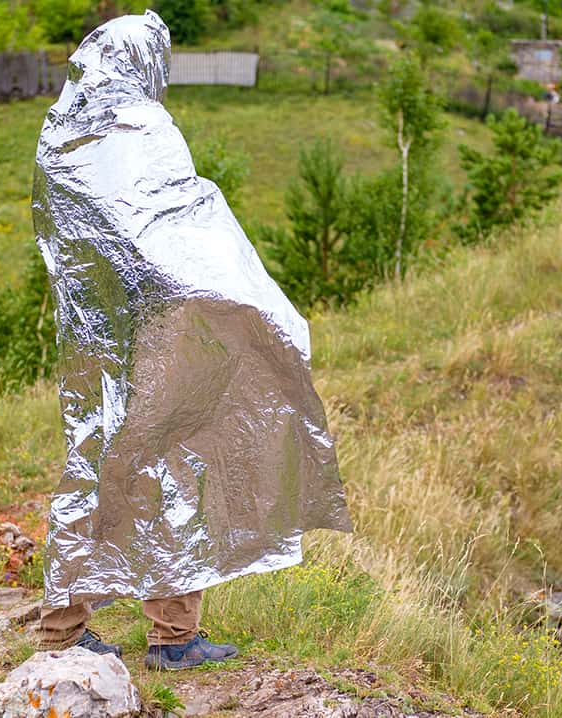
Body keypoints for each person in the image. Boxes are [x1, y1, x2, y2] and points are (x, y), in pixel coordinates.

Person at [30, 10, 352, 671]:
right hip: (163, 329)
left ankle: (63, 631)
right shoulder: (145, 129)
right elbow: (179, 226)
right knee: (176, 467)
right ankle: (173, 638)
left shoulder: (63, 134)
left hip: (95, 336)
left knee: (94, 466)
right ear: (143, 64)